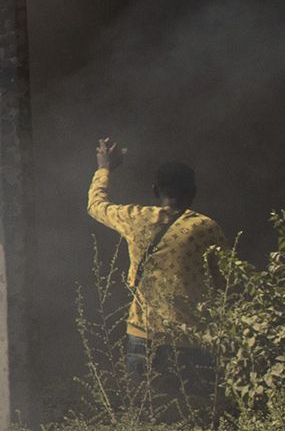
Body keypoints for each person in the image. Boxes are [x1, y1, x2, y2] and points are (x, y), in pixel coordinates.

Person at [89, 139, 227, 405]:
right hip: (193, 341)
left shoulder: (137, 218)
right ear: (194, 191)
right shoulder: (206, 228)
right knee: (194, 414)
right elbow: (224, 283)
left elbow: (96, 205)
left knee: (146, 414)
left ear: (155, 190)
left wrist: (105, 168)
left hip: (143, 337)